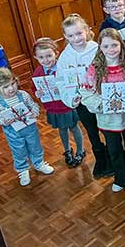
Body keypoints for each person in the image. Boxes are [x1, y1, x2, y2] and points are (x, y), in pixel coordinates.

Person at [81, 29, 125, 193]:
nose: (111, 49)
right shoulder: (94, 69)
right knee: (114, 149)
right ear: (100, 47)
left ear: (121, 46)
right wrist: (100, 103)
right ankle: (120, 177)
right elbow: (86, 91)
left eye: (115, 45)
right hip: (107, 119)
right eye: (106, 46)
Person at [57, 13, 112, 178]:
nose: (76, 38)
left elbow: (109, 69)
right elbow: (62, 80)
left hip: (101, 97)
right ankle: (100, 159)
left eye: (79, 33)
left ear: (87, 31)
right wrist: (72, 97)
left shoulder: (97, 48)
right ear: (66, 37)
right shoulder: (65, 57)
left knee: (108, 129)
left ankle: (113, 157)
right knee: (92, 131)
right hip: (82, 101)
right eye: (71, 35)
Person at [0, 67, 54, 186]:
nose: (11, 88)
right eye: (6, 87)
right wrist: (3, 121)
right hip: (13, 133)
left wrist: (34, 112)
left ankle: (38, 163)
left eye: (13, 84)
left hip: (30, 128)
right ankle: (23, 170)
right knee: (19, 151)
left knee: (35, 147)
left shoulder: (23, 95)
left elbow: (33, 105)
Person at [31, 38, 84, 168]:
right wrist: (37, 93)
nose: (46, 60)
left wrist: (63, 88)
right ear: (35, 57)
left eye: (49, 55)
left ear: (56, 53)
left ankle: (80, 150)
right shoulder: (38, 72)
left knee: (73, 127)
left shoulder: (62, 68)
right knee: (62, 129)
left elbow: (72, 83)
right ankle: (67, 150)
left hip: (66, 105)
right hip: (52, 107)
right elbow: (34, 87)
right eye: (41, 57)